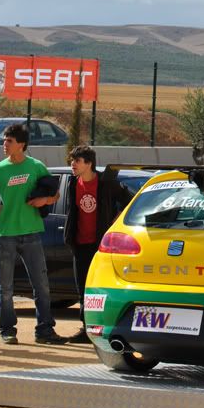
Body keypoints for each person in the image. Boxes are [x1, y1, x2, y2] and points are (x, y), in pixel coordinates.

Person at [0, 122, 66, 345]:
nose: (4, 144)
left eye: (9, 141)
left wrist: (45, 200)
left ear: (21, 145)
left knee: (41, 285)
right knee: (5, 287)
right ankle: (7, 330)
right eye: (4, 140)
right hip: (6, 235)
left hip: (32, 234)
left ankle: (45, 330)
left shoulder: (36, 166)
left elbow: (55, 193)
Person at [64, 145, 131, 343]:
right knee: (82, 287)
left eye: (77, 161)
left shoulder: (106, 183)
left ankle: (102, 329)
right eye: (72, 161)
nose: (73, 165)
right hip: (79, 243)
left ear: (89, 163)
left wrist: (115, 221)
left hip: (100, 245)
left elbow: (128, 200)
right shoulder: (73, 183)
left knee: (100, 288)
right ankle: (85, 329)